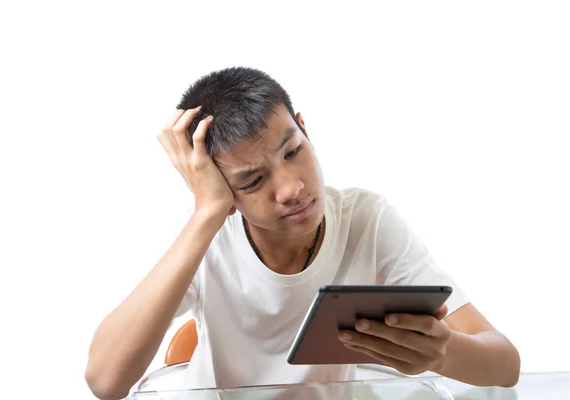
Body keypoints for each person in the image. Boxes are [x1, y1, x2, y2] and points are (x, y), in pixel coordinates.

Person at [84, 67, 520, 400]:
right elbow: (105, 380)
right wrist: (207, 213)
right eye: (253, 181)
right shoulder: (208, 233)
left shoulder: (365, 219)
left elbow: (505, 364)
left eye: (293, 151)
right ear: (220, 190)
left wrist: (444, 353)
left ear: (305, 128)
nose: (291, 188)